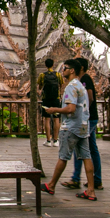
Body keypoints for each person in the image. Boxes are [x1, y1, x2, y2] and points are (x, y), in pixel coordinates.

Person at [39, 59, 96, 201]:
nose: (62, 70)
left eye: (65, 68)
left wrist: (54, 110)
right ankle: (91, 191)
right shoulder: (81, 86)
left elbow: (70, 109)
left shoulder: (71, 87)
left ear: (72, 70)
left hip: (70, 127)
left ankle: (51, 185)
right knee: (86, 157)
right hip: (83, 126)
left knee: (63, 157)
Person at [68, 58, 102, 190]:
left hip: (88, 119)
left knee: (80, 146)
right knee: (92, 149)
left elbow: (90, 97)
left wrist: (83, 113)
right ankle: (97, 179)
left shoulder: (85, 79)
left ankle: (76, 178)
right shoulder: (82, 79)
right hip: (90, 118)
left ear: (80, 68)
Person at [37, 59, 63, 146]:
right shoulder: (58, 74)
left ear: (45, 65)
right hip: (56, 99)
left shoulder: (42, 75)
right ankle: (55, 140)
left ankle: (48, 140)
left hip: (46, 99)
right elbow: (61, 85)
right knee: (56, 119)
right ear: (53, 65)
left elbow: (40, 87)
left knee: (47, 119)